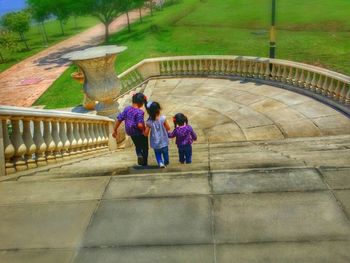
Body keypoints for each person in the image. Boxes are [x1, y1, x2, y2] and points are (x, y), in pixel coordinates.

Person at [112, 93, 148, 166]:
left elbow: (119, 119)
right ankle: (144, 162)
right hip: (139, 132)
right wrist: (144, 130)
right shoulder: (140, 112)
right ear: (141, 103)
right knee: (145, 147)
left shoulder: (127, 109)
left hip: (130, 132)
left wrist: (115, 129)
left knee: (137, 145)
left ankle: (139, 155)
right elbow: (140, 125)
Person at [144, 101, 171, 168]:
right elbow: (168, 128)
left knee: (157, 154)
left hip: (155, 142)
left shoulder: (149, 122)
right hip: (164, 140)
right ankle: (166, 162)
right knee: (165, 153)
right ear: (158, 109)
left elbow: (146, 134)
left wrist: (143, 131)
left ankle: (160, 163)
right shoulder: (163, 118)